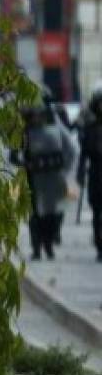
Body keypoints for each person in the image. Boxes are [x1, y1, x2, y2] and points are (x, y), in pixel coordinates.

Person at [17, 99, 75, 260]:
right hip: (32, 179)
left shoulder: (55, 130)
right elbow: (14, 155)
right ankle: (36, 248)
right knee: (34, 215)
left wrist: (64, 169)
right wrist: (25, 163)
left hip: (52, 178)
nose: (38, 118)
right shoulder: (25, 133)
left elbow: (69, 150)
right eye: (34, 115)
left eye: (40, 115)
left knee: (51, 214)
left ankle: (48, 245)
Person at [77, 84, 102, 262]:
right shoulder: (90, 128)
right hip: (95, 173)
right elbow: (84, 153)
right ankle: (99, 245)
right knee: (96, 212)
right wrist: (79, 173)